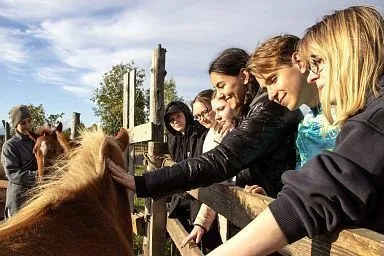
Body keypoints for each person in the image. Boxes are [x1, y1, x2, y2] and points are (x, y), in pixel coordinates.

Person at [203, 5, 384, 255]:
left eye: (318, 62)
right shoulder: (356, 115)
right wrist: (278, 196)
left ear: (349, 55)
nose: (311, 76)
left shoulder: (376, 119)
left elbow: (325, 187)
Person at [108, 47, 303, 206]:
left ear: (244, 77)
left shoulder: (267, 109)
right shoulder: (254, 110)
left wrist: (145, 182)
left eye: (221, 85)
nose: (220, 95)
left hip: (278, 212)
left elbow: (220, 161)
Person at [247, 34, 339, 169]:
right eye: (266, 90)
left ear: (299, 62)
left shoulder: (348, 112)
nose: (271, 95)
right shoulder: (305, 125)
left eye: (273, 80)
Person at [163, 101, 208, 235]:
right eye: (171, 119)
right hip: (181, 198)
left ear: (186, 114)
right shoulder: (174, 140)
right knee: (180, 234)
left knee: (203, 240)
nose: (175, 121)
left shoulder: (200, 134)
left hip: (199, 197)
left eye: (178, 116)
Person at [1, 105, 37, 218]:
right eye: (23, 123)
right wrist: (39, 176)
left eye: (29, 121)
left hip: (36, 199)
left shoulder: (37, 142)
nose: (28, 126)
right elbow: (12, 173)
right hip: (19, 200)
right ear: (16, 125)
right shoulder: (10, 146)